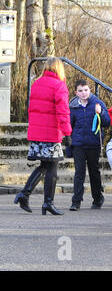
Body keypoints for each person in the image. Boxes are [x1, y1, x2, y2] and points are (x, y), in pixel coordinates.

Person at [14, 57, 72, 215]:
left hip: (38, 132)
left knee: (44, 166)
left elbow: (32, 109)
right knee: (52, 167)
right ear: (59, 69)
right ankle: (48, 202)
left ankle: (24, 194)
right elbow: (63, 112)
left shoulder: (37, 83)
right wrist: (67, 133)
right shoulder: (59, 86)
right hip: (51, 132)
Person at [69, 79, 111, 211]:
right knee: (79, 173)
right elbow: (69, 125)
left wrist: (101, 113)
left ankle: (97, 198)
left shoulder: (97, 103)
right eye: (80, 91)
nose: (83, 93)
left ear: (90, 90)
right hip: (79, 144)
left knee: (94, 172)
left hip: (93, 144)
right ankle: (76, 201)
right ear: (76, 92)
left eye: (86, 90)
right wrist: (69, 142)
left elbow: (106, 122)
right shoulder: (73, 106)